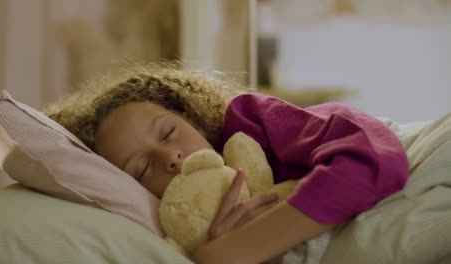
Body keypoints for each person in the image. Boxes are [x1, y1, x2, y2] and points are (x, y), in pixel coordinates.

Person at [45, 63, 408, 264]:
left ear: (189, 116)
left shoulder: (254, 123)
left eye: (169, 133)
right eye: (142, 170)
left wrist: (237, 249)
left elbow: (375, 157)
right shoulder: (177, 233)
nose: (170, 158)